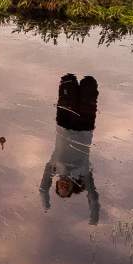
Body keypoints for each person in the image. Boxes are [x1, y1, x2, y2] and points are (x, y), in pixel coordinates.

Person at [41, 72, 99, 225]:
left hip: (64, 124)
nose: (63, 185)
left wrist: (45, 204)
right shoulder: (84, 173)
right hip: (85, 127)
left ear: (57, 184)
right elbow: (93, 196)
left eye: (60, 187)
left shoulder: (53, 168)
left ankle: (70, 80)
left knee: (68, 80)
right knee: (89, 83)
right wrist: (94, 217)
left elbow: (43, 188)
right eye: (66, 188)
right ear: (73, 187)